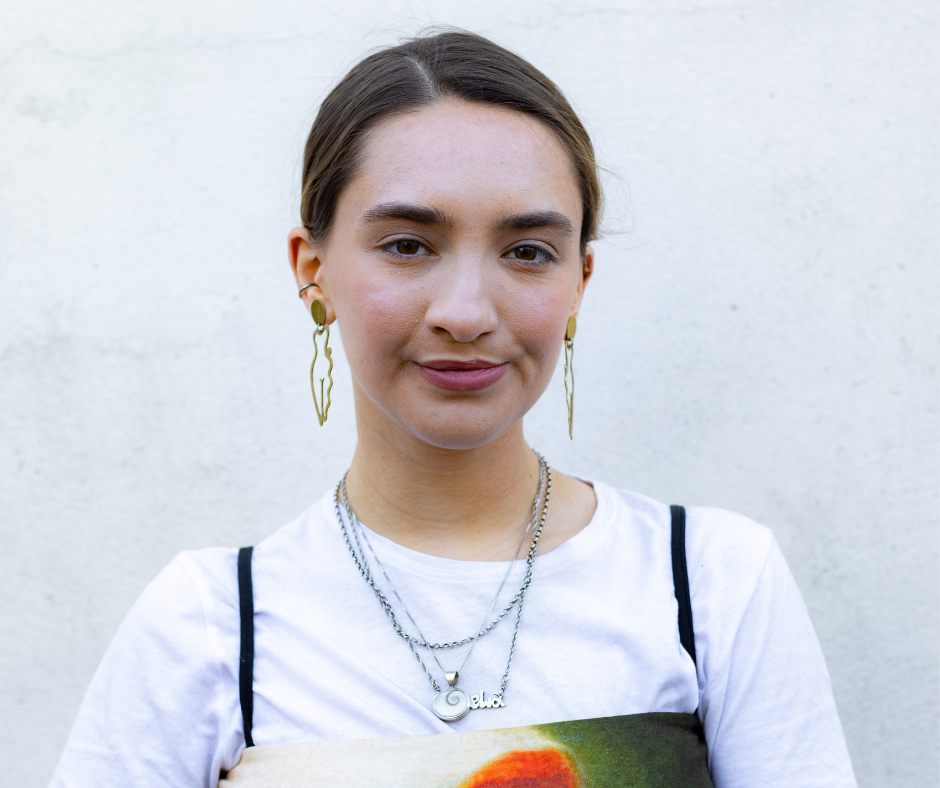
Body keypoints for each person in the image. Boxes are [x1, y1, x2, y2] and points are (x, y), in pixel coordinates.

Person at [49, 30, 857, 788]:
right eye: (408, 245)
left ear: (578, 282)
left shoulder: (710, 582)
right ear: (313, 270)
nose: (466, 312)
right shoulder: (210, 623)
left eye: (527, 252)